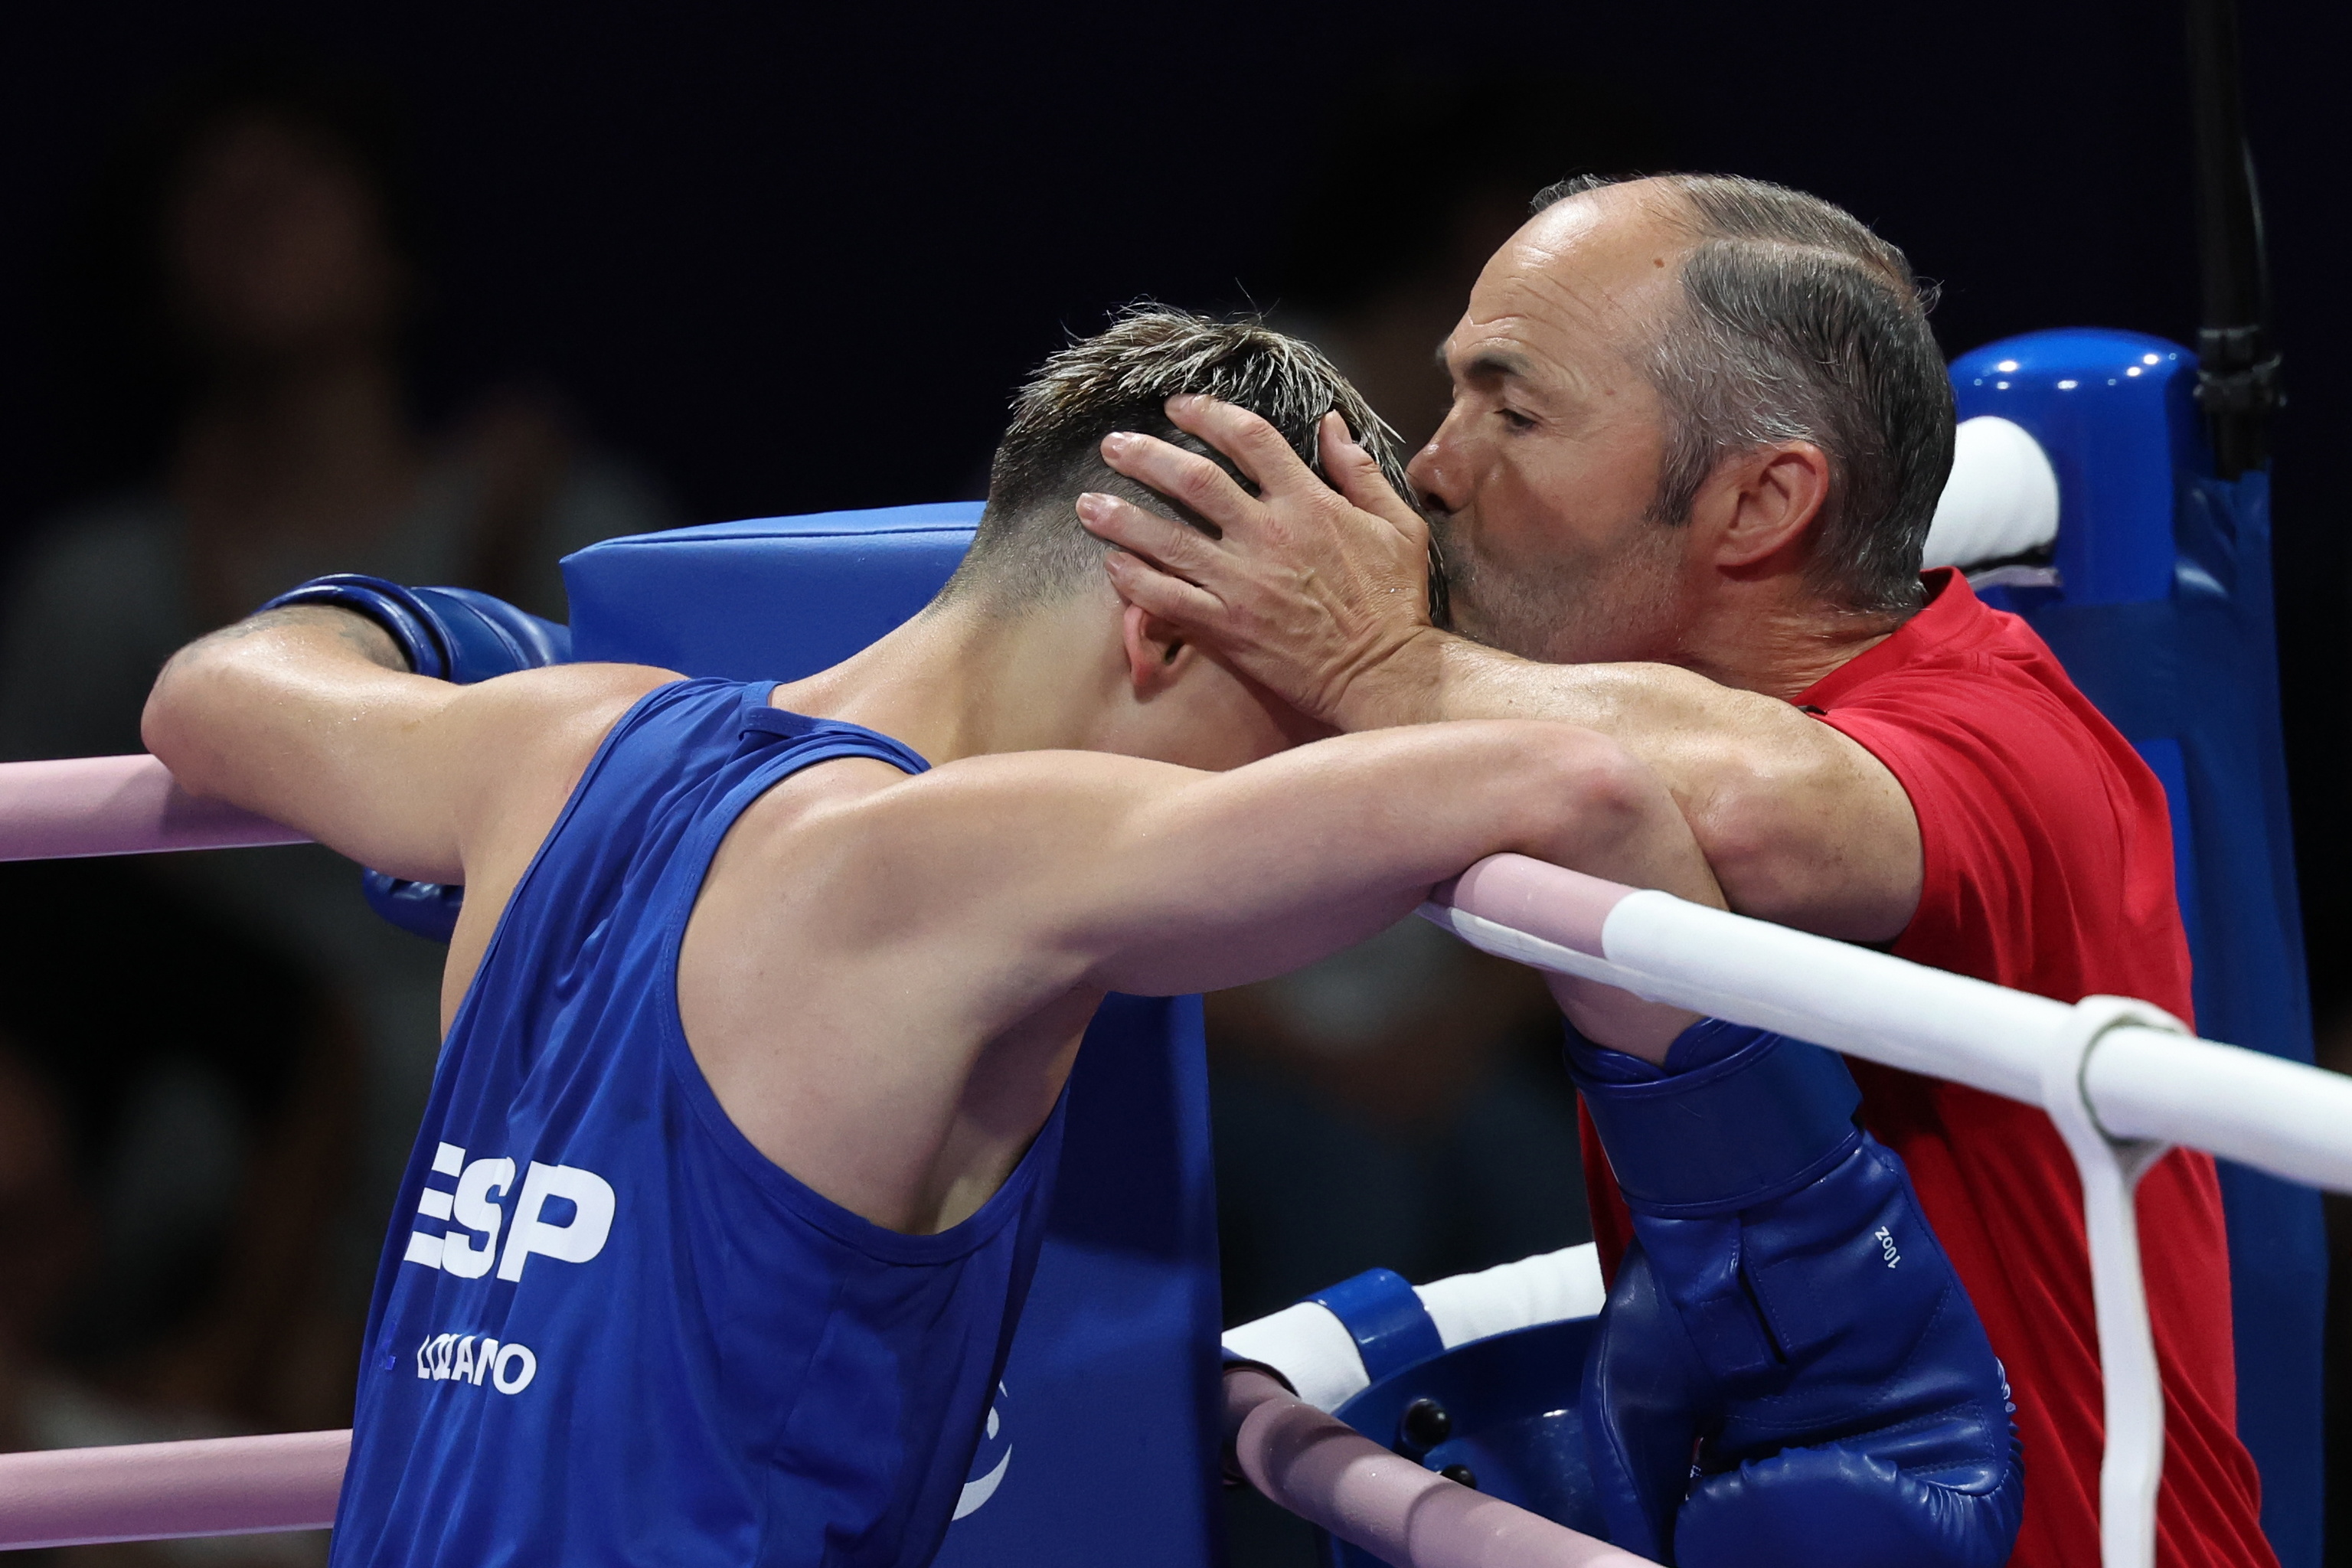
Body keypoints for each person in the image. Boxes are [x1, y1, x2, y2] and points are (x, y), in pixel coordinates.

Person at [137, 312, 1728, 1566]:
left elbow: (214, 687)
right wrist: (1393, 654)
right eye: (1308, 703)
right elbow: (1580, 781)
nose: (1312, 762)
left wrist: (467, 642)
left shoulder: (546, 749)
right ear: (1165, 624)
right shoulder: (975, 865)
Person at [1077, 175, 2270, 1566]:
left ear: (1759, 501)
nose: (1435, 468)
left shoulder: (1999, 735)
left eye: (1514, 413)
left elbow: (1771, 808)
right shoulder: (1599, 699)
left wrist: (1373, 664)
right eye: (1457, 394)